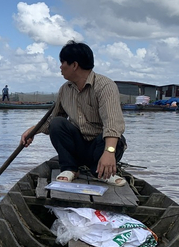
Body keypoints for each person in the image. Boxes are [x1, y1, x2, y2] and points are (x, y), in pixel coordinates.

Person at [20, 40, 127, 186]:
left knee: (116, 140)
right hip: (78, 147)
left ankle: (103, 172)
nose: (60, 66)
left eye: (63, 62)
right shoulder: (65, 89)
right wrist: (33, 130)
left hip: (100, 146)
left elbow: (113, 123)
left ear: (74, 65)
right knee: (57, 123)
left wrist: (109, 152)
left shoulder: (105, 86)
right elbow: (54, 120)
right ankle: (70, 168)